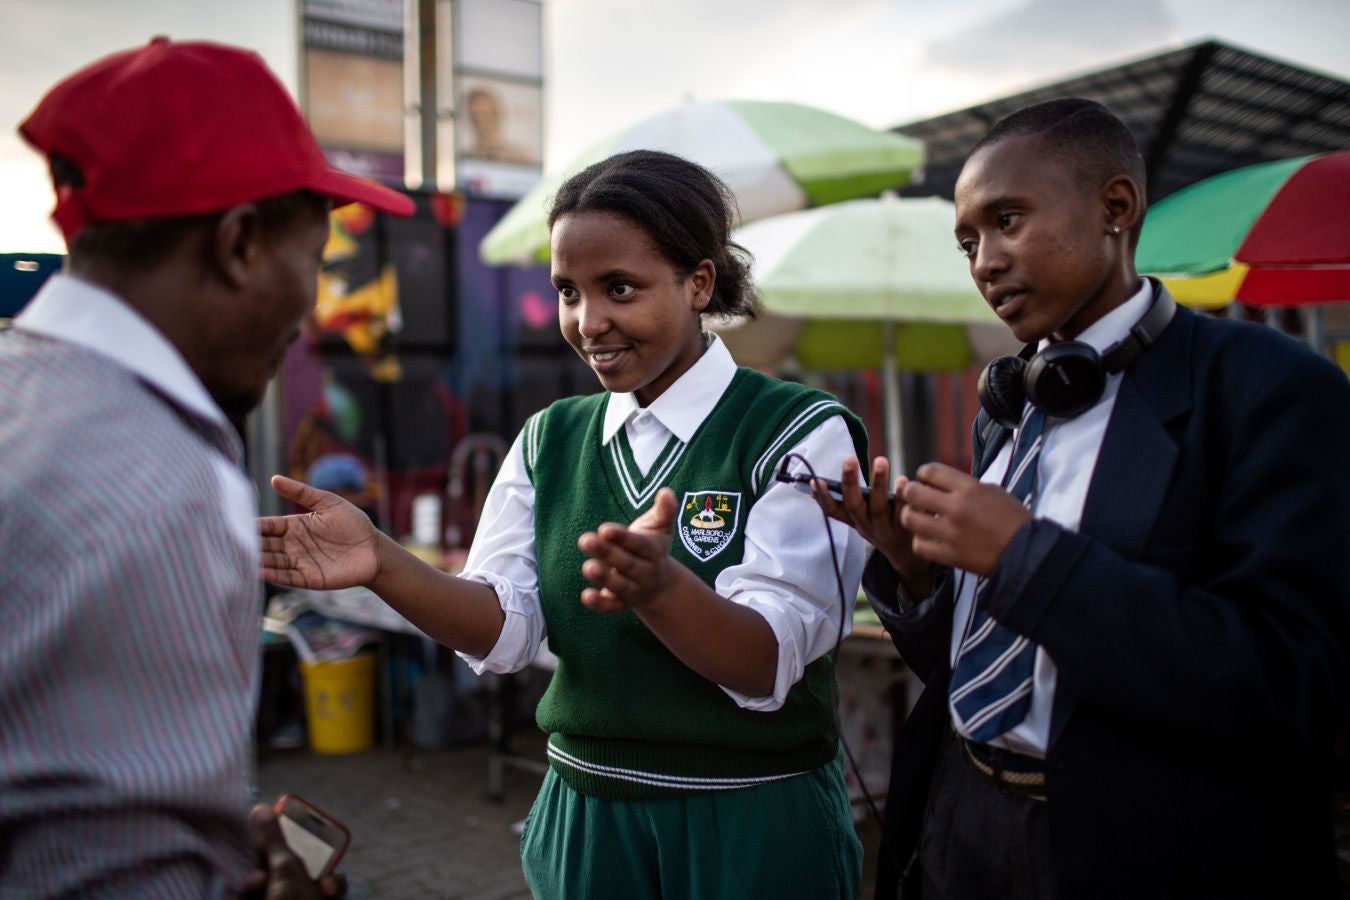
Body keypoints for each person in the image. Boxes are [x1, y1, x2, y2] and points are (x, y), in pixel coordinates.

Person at [259, 149, 868, 898]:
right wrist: (384, 562)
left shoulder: (796, 430)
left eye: (620, 288)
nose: (588, 322)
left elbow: (770, 658)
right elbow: (507, 630)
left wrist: (662, 591)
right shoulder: (551, 439)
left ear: (699, 282)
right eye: (567, 291)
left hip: (749, 818)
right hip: (585, 818)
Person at [821, 98, 1350, 899]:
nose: (984, 262)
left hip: (1146, 850)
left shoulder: (1273, 389)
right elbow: (991, 670)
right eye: (968, 241)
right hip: (960, 822)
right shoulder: (1018, 404)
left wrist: (1025, 557)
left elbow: (1293, 681)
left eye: (1007, 220)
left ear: (1116, 207)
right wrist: (918, 573)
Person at [0, 37, 413, 897]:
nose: (308, 314)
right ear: (238, 246)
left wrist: (209, 838)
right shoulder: (167, 475)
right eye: (314, 260)